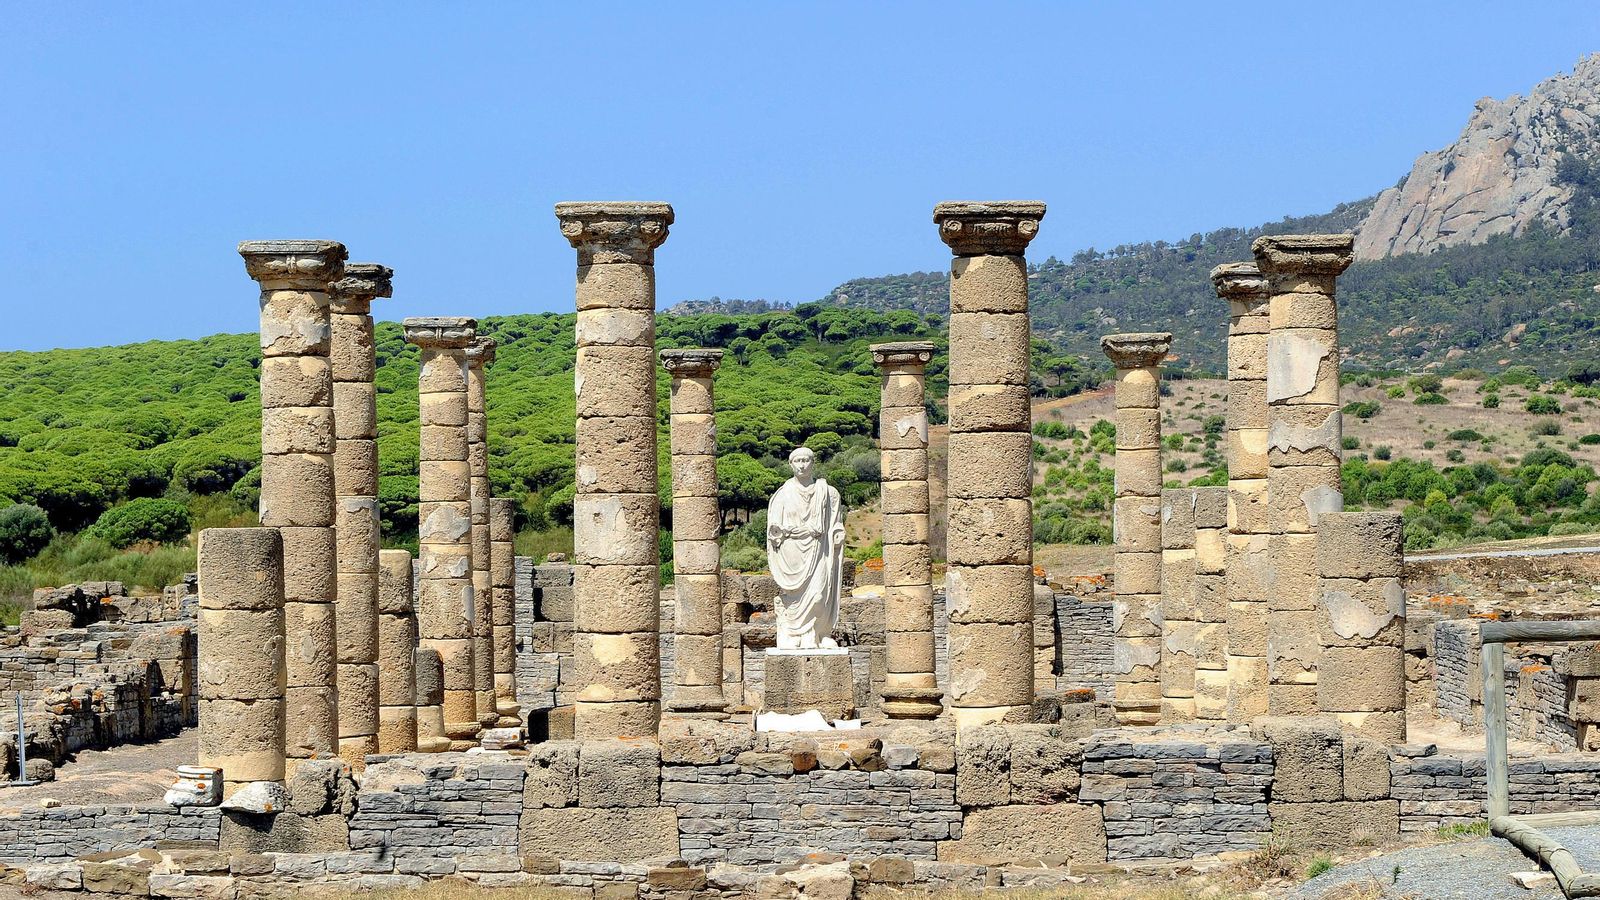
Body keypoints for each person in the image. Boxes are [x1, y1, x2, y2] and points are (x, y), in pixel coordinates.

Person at [765, 446, 846, 650]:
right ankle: (792, 634)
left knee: (819, 595)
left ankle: (819, 633)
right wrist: (780, 533)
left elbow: (836, 522)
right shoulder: (782, 495)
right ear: (790, 464)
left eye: (806, 460)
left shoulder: (828, 493)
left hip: (820, 549)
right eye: (797, 461)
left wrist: (837, 533)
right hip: (792, 552)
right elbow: (773, 530)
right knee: (793, 598)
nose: (802, 465)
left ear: (813, 463)